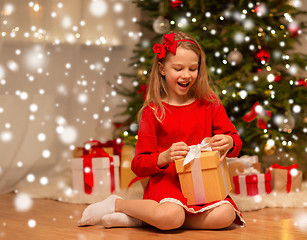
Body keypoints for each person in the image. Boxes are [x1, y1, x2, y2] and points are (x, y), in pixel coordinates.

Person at [78, 31, 245, 230]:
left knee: (226, 215)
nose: (186, 75)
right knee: (172, 214)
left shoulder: (209, 103)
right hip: (168, 184)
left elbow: (235, 140)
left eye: (193, 68)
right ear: (162, 69)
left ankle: (146, 217)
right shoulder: (154, 112)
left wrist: (229, 142)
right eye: (178, 68)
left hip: (202, 183)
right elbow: (139, 164)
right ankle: (118, 204)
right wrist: (164, 157)